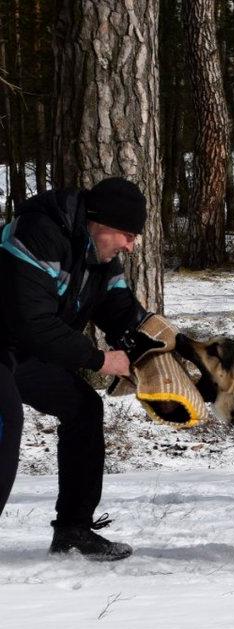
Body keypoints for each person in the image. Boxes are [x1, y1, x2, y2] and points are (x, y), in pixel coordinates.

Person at [0, 177, 152, 560]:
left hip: (21, 350)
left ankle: (73, 530)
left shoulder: (98, 256)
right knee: (6, 418)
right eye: (127, 235)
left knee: (84, 408)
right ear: (100, 223)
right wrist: (101, 360)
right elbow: (32, 322)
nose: (131, 246)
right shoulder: (38, 233)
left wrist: (154, 346)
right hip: (11, 339)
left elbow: (118, 308)